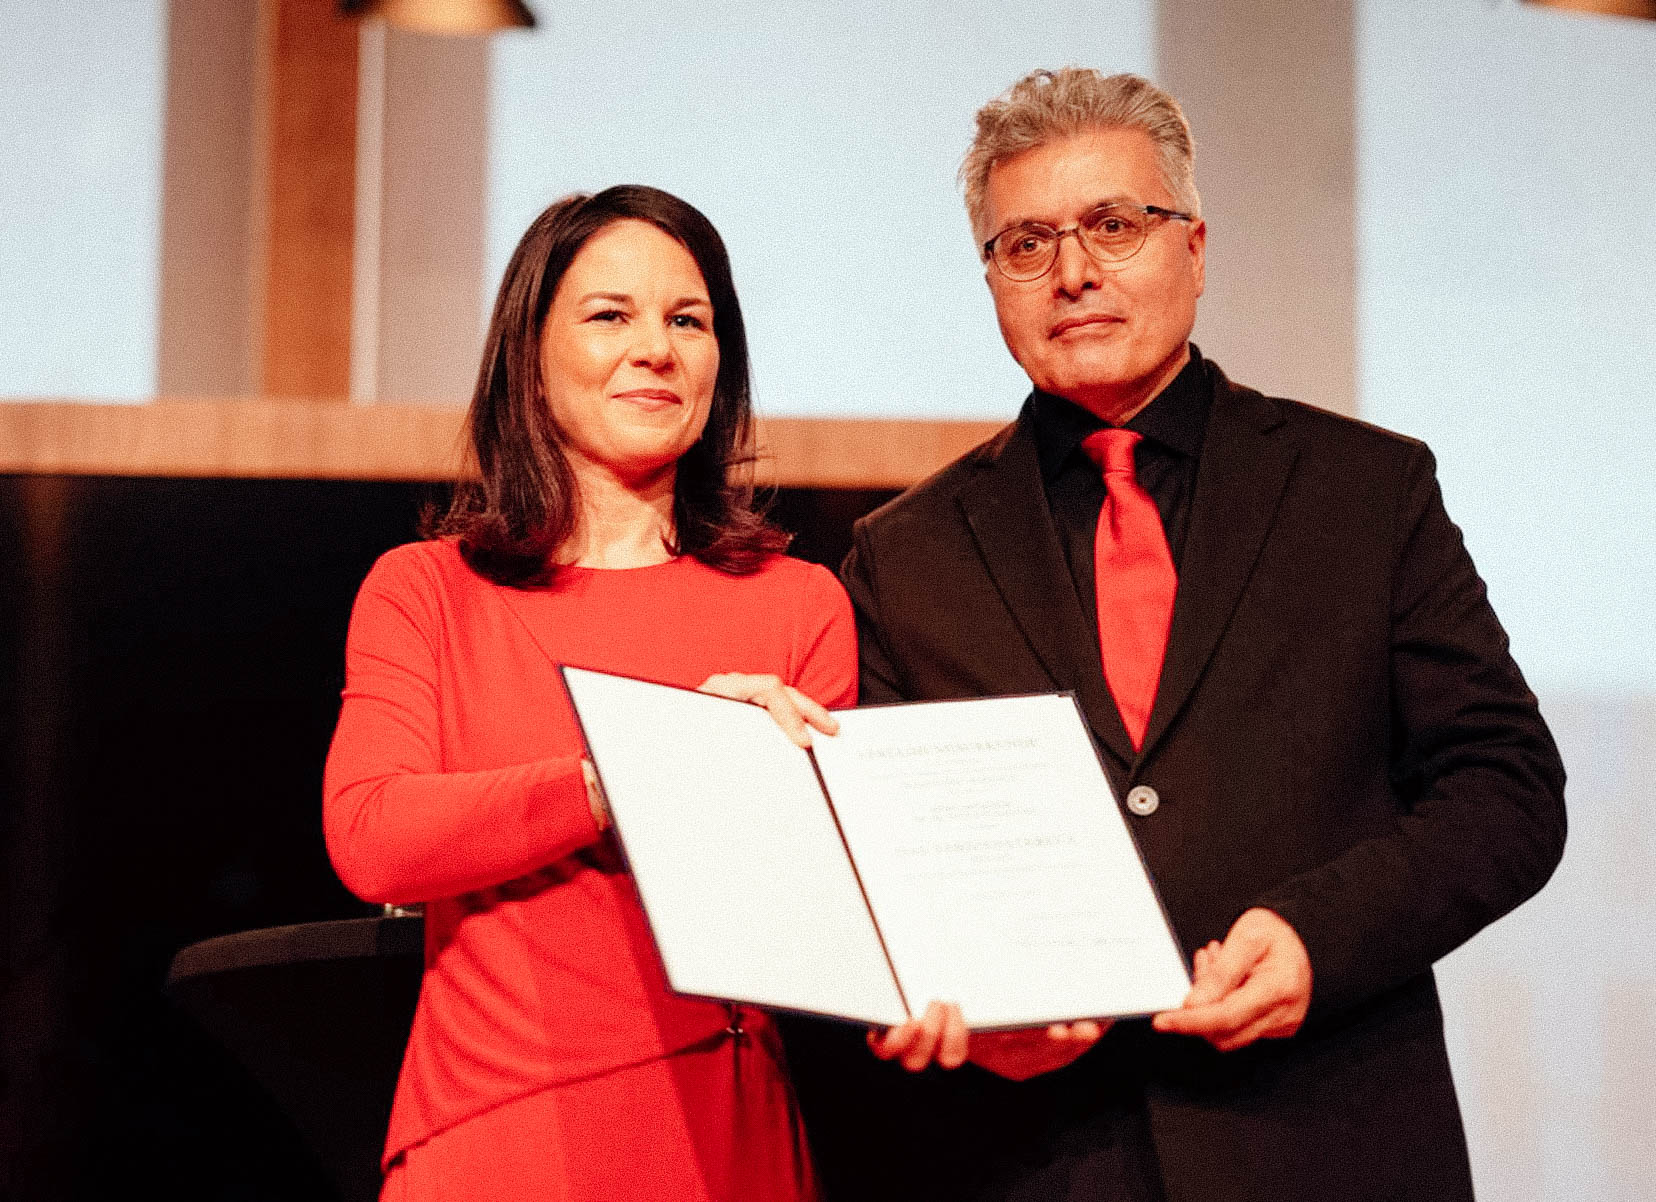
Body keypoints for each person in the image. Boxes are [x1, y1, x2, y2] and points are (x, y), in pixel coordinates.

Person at [786, 69, 1567, 1202]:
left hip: (1329, 1145)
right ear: (991, 280)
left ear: (1195, 248)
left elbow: (1507, 787)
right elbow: (887, 865)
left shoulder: (1364, 490)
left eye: (1114, 224)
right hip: (1042, 1157)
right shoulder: (906, 554)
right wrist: (972, 998)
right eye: (1027, 244)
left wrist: (1318, 937)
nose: (1073, 272)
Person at [323, 185, 856, 1201]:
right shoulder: (426, 589)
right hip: (496, 1136)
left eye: (688, 321)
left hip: (722, 1137)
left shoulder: (800, 603)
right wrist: (621, 778)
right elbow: (371, 834)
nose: (655, 349)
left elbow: (833, 908)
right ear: (528, 356)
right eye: (610, 315)